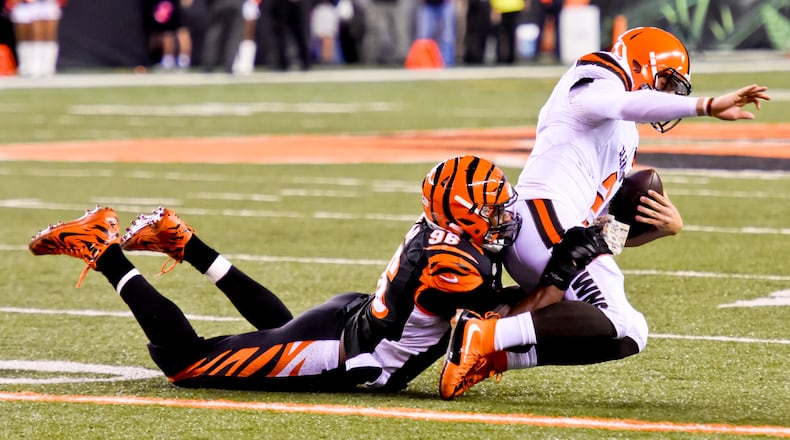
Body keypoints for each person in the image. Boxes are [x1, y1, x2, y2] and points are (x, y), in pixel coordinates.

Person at [29, 156, 555, 392]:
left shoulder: (443, 234)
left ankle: (185, 244)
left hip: (347, 326)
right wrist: (561, 276)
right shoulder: (452, 260)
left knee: (278, 335)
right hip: (343, 352)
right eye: (492, 209)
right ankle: (103, 249)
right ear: (461, 214)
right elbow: (498, 320)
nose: (504, 217)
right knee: (185, 363)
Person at [438, 26, 771, 400]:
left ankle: (493, 357)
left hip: (561, 233)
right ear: (640, 63)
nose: (666, 95)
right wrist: (706, 106)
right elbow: (620, 103)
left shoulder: (626, 136)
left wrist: (663, 229)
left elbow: (597, 228)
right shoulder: (598, 72)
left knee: (632, 332)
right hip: (542, 214)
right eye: (665, 81)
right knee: (612, 316)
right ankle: (486, 334)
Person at [7, 0, 63, 77]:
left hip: (46, 3)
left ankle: (46, 67)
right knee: (24, 35)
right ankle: (27, 67)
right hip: (23, 4)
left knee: (46, 35)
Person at [146, 0, 193, 71]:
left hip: (178, 6)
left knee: (182, 31)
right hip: (166, 5)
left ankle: (184, 61)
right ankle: (168, 61)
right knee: (167, 32)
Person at [202, 0, 244, 73]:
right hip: (236, 4)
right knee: (234, 36)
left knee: (215, 33)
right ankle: (229, 65)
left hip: (218, 4)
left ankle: (209, 64)